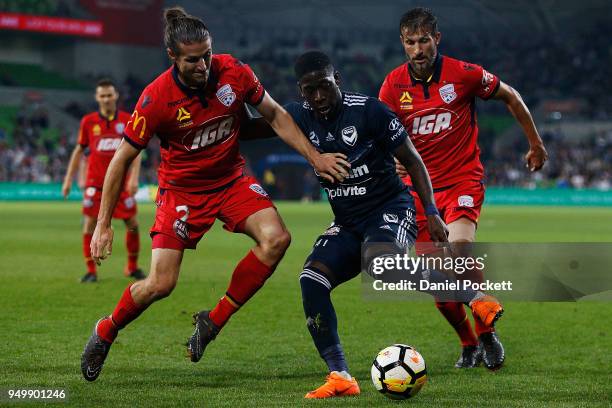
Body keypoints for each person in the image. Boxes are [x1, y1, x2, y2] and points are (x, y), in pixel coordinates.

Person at [80, 7, 349, 382]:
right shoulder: (156, 98)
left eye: (208, 54)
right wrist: (103, 224)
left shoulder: (234, 72)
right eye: (193, 59)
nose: (204, 65)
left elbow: (273, 114)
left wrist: (314, 157)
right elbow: (121, 159)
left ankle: (214, 321)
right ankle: (106, 331)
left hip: (231, 179)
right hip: (182, 192)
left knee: (276, 239)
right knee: (161, 284)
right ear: (173, 56)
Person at [285, 50, 504, 399]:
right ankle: (340, 376)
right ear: (301, 91)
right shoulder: (299, 116)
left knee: (380, 264)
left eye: (324, 87)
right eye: (309, 90)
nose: (318, 97)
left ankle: (476, 299)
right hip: (347, 221)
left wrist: (431, 211)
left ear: (336, 79)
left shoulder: (368, 110)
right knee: (311, 280)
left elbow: (413, 162)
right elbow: (260, 118)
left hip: (390, 207)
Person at [379, 7, 548, 370]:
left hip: (461, 180)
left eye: (424, 40)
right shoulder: (393, 85)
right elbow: (381, 130)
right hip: (418, 193)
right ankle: (468, 342)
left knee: (460, 250)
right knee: (439, 282)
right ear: (403, 44)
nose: (418, 49)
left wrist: (535, 143)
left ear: (436, 39)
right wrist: (390, 156)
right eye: (411, 42)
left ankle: (486, 334)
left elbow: (511, 96)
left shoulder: (464, 74)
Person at [62, 78, 145, 283]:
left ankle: (132, 267)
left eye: (109, 95)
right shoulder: (88, 122)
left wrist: (133, 178)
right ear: (97, 98)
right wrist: (68, 180)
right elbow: (79, 150)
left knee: (132, 223)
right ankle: (91, 271)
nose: (106, 99)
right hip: (95, 184)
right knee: (89, 224)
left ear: (116, 96)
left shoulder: (128, 120)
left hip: (121, 184)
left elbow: (137, 152)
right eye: (102, 95)